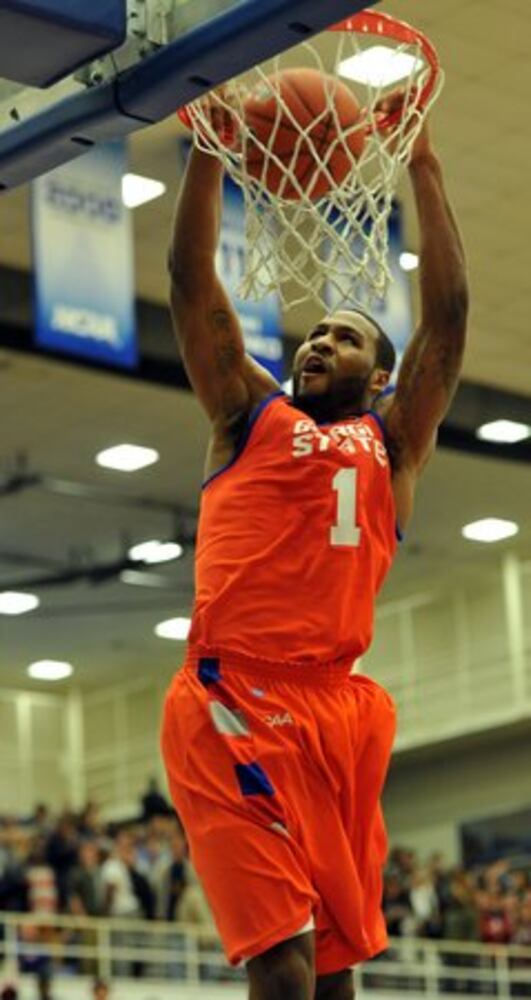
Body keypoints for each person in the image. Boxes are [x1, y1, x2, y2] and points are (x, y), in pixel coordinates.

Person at [162, 86, 468, 1000]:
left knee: (337, 969)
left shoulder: (393, 440)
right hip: (233, 692)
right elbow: (190, 284)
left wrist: (419, 159)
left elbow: (447, 322)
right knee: (285, 959)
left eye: (344, 338)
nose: (318, 344)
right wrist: (211, 146)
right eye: (315, 333)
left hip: (337, 708)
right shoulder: (244, 412)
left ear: (380, 378)